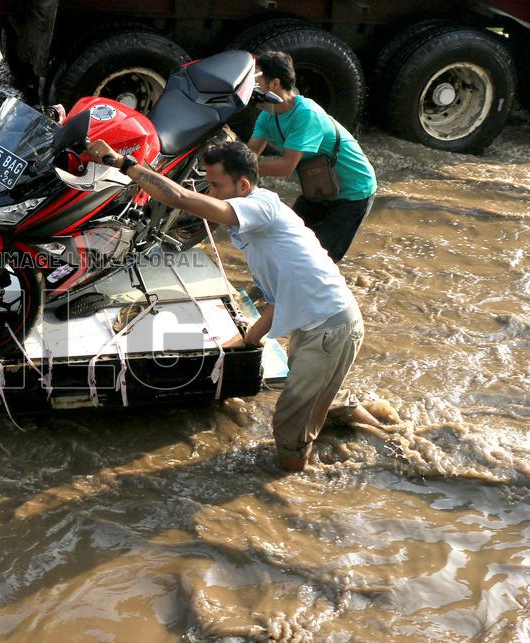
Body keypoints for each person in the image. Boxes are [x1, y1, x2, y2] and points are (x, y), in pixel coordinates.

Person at [86, 139, 390, 471]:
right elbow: (277, 299)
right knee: (314, 397)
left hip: (330, 328)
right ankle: (384, 432)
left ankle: (294, 487)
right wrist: (247, 341)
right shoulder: (261, 229)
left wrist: (122, 163)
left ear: (243, 184)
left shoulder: (261, 207)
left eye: (216, 186)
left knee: (288, 430)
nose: (211, 193)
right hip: (322, 324)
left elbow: (182, 199)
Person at [247, 51, 377, 263]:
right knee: (284, 241)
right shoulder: (267, 115)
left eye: (257, 78)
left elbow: (285, 167)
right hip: (319, 188)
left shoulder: (306, 114)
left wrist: (240, 167)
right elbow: (250, 155)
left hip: (354, 191)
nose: (253, 85)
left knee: (320, 260)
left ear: (275, 83)